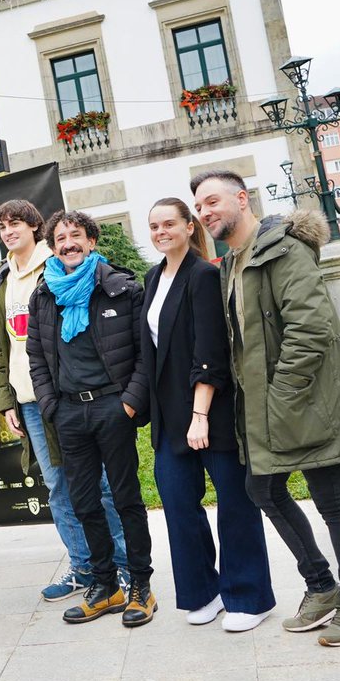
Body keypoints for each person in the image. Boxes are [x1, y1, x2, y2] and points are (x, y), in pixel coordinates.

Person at [192, 170, 340, 647]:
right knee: (261, 490)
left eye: (212, 201)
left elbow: (311, 328)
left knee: (332, 500)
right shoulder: (231, 263)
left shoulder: (284, 248)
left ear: (242, 198)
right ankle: (322, 585)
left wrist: (281, 396)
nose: (205, 213)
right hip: (265, 407)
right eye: (199, 206)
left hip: (307, 401)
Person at [0, 199, 129, 602]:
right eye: (2, 227)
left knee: (96, 483)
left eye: (16, 224)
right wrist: (6, 398)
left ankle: (122, 566)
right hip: (28, 399)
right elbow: (1, 345)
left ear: (34, 227)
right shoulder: (1, 277)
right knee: (57, 486)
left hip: (67, 396)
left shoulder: (58, 267)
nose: (9, 232)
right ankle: (84, 566)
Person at [138, 198, 275, 631]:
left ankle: (250, 597)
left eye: (169, 224)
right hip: (169, 414)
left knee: (234, 502)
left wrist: (200, 414)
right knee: (178, 503)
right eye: (154, 226)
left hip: (210, 408)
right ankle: (204, 592)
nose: (161, 232)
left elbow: (209, 351)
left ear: (188, 226)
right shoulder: (152, 277)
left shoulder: (203, 276)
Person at [26, 210, 156, 627]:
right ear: (52, 246)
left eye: (76, 235)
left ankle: (140, 586)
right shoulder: (44, 293)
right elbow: (36, 356)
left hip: (111, 408)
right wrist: (50, 405)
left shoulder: (121, 288)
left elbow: (144, 353)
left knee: (125, 499)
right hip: (68, 412)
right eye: (60, 237)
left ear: (92, 241)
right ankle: (105, 585)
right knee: (84, 502)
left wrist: (130, 402)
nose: (68, 243)